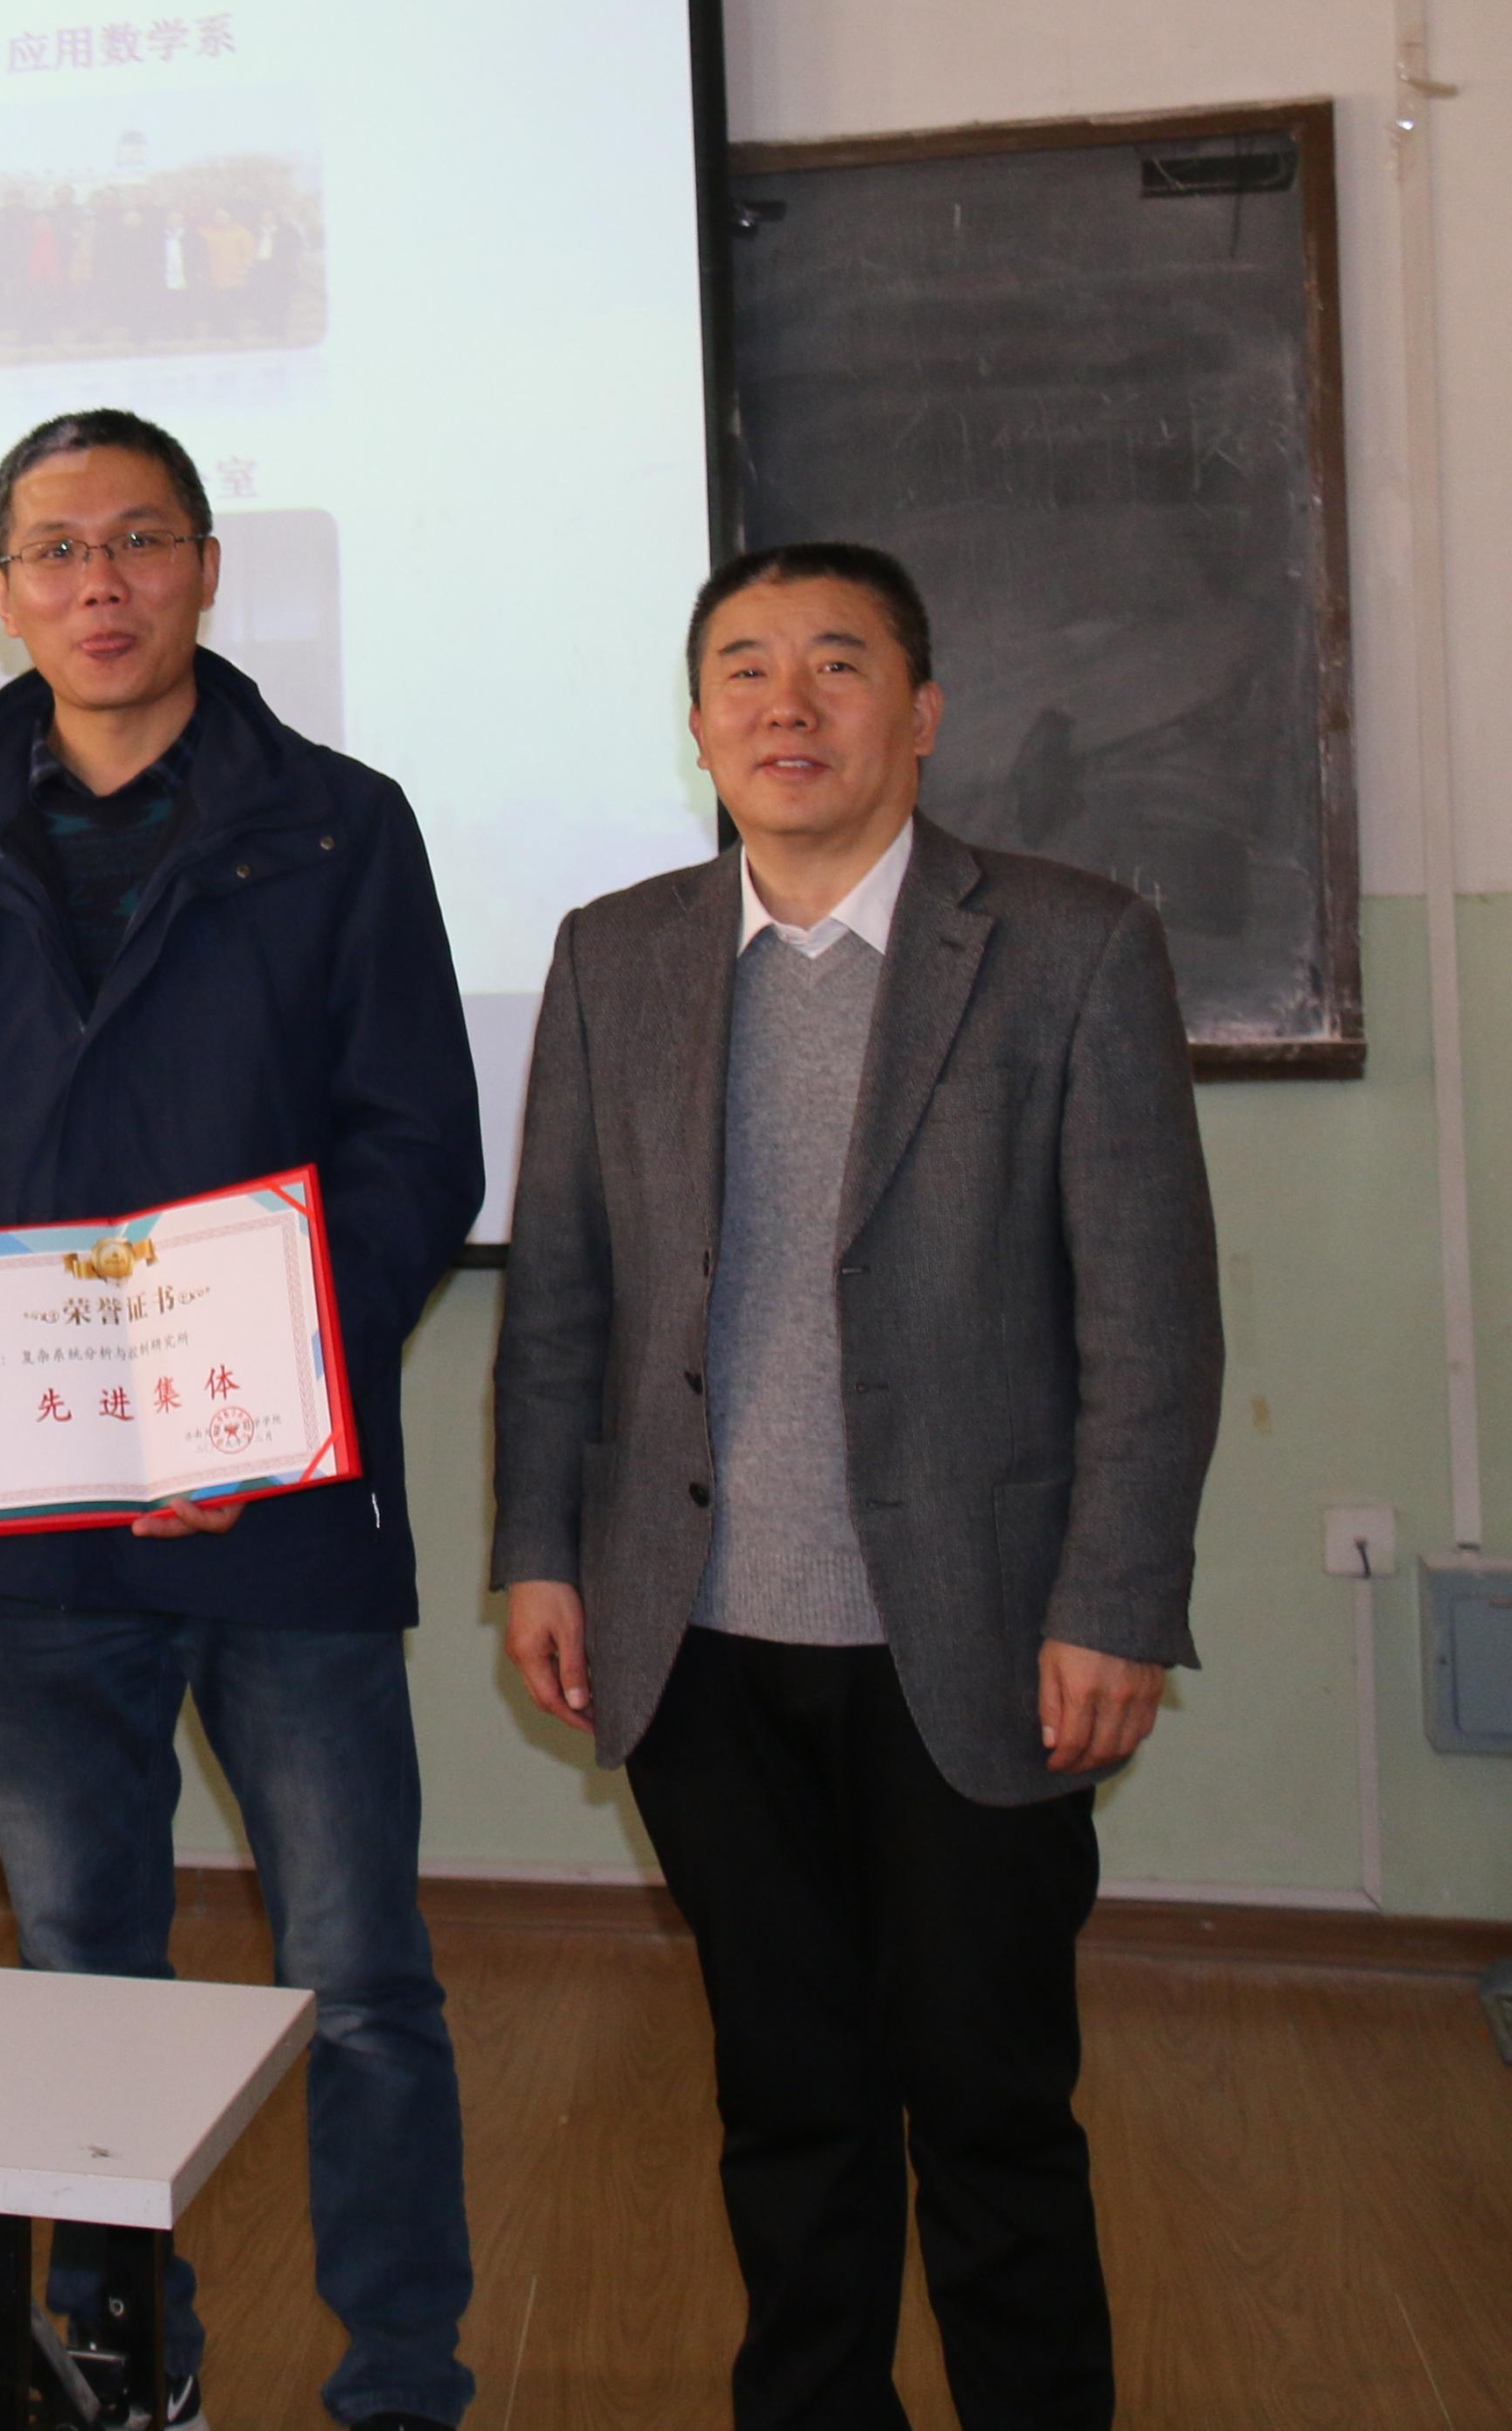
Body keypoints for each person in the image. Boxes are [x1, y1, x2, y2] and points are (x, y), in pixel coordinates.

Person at [490, 543, 1220, 2431]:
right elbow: (561, 1290)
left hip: (974, 1633)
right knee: (788, 2100)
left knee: (990, 2108)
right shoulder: (617, 953)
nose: (786, 704)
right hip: (694, 1634)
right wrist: (539, 1552)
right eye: (742, 668)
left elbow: (1150, 1316)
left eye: (836, 662)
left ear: (923, 711)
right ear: (697, 722)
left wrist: (1115, 1599)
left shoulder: (1066, 944)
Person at [0, 411, 482, 2431]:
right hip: (41, 1529)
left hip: (278, 1513)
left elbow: (415, 1145)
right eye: (53, 551)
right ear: (0, 592)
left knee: (357, 1975)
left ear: (207, 567)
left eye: (136, 540)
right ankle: (129, 2362)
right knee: (83, 1979)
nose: (97, 583)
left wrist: (265, 1397)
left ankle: (401, 2374)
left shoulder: (341, 827)